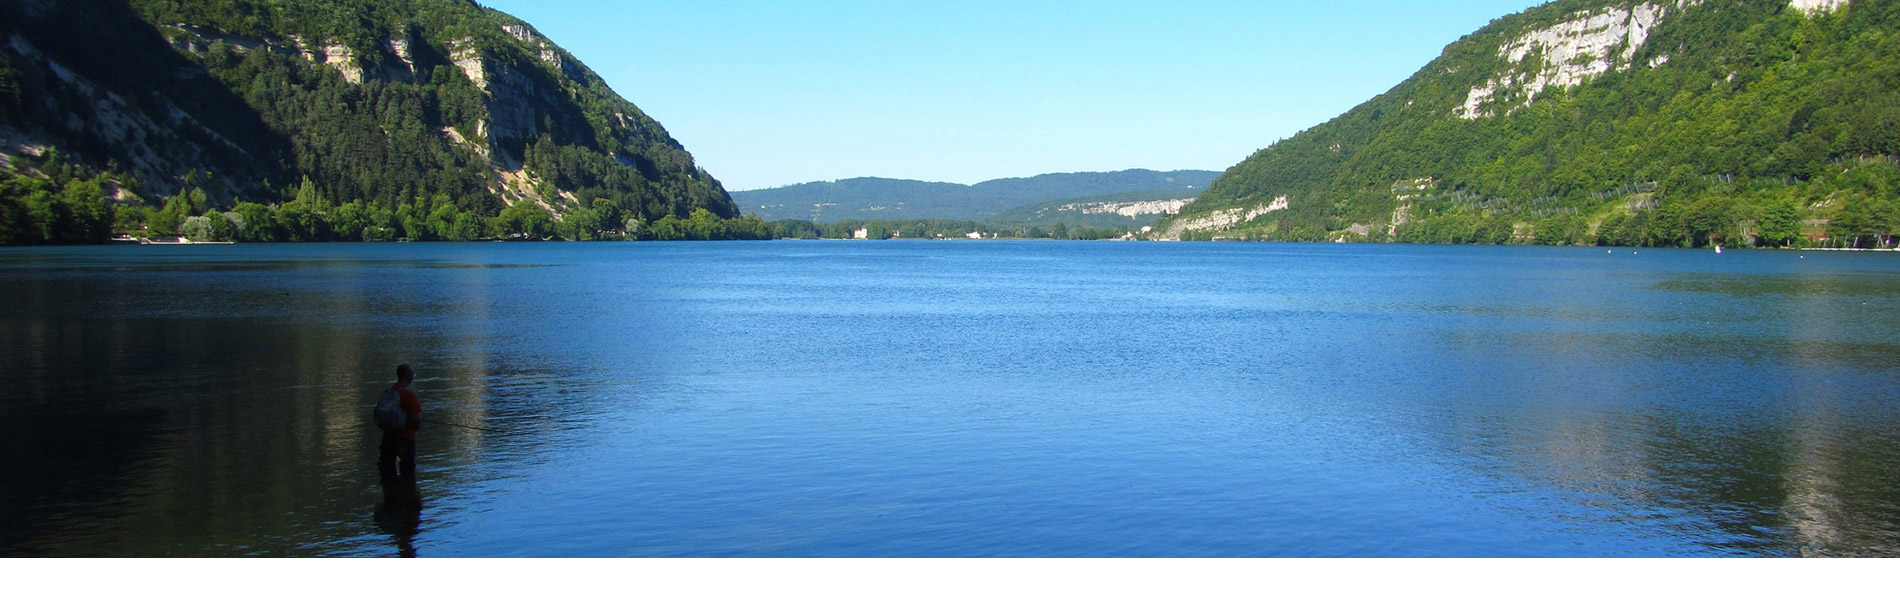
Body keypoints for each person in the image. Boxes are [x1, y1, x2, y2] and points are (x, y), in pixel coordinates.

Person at [379, 364, 423, 485]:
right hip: (405, 439)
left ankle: (390, 498)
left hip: (387, 439)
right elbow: (416, 423)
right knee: (407, 472)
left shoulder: (388, 392)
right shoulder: (409, 395)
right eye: (412, 374)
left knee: (388, 473)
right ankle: (407, 499)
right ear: (408, 376)